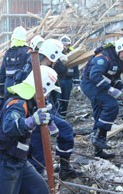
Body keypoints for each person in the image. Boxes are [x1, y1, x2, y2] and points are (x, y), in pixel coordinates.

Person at [0, 65, 64, 194]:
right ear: (42, 88)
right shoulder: (18, 103)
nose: (47, 96)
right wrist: (31, 121)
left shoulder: (30, 103)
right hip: (3, 160)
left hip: (19, 160)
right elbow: (9, 126)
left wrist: (49, 124)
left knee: (40, 193)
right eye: (47, 92)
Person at [18, 39, 82, 179]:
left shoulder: (43, 68)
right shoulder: (31, 70)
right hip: (34, 115)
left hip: (44, 110)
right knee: (37, 150)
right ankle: (33, 181)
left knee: (66, 130)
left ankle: (64, 167)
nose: (57, 63)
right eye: (56, 59)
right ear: (50, 57)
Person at [80, 35, 123, 159]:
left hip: (99, 85)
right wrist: (111, 90)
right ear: (120, 48)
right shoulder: (104, 57)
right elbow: (94, 76)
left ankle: (98, 150)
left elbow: (114, 78)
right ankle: (98, 137)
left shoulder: (119, 61)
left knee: (100, 114)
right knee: (111, 105)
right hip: (90, 84)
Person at [0, 26, 30, 99]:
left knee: (9, 107)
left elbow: (2, 73)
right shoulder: (28, 52)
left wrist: (1, 90)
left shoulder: (8, 52)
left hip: (8, 87)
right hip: (23, 88)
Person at [54, 35, 80, 118]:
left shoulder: (72, 54)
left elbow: (76, 69)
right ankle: (57, 117)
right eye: (64, 45)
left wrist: (76, 83)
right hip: (59, 80)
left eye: (67, 45)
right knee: (58, 99)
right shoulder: (56, 54)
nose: (65, 47)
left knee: (65, 100)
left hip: (68, 81)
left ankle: (63, 117)